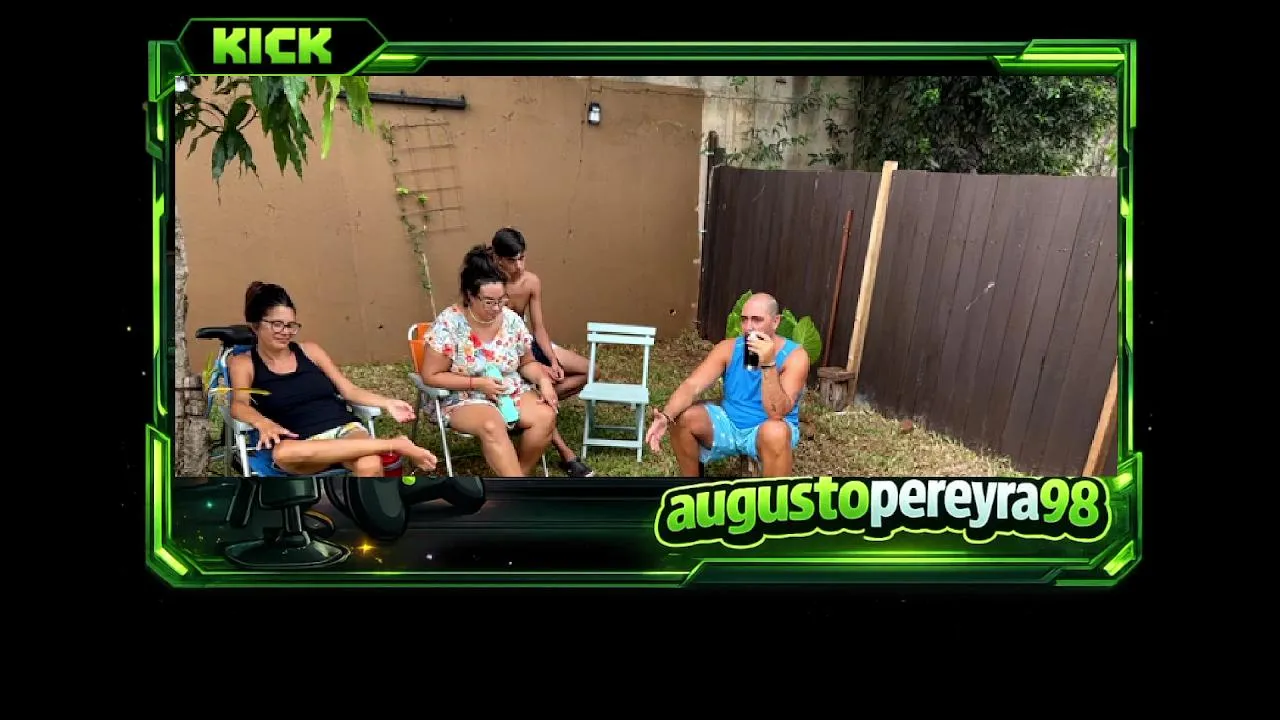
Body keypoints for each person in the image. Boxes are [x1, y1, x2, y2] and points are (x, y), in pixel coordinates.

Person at [228, 282, 438, 476]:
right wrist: (262, 422)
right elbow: (239, 405)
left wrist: (387, 403)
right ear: (255, 325)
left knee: (369, 463)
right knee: (283, 453)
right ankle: (395, 444)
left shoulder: (310, 351)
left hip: (344, 429)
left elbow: (349, 390)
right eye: (277, 324)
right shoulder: (243, 363)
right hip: (301, 443)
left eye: (291, 325)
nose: (286, 332)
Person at [419, 245, 561, 476]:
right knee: (491, 424)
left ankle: (518, 478)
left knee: (546, 416)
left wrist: (544, 381)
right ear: (469, 295)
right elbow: (430, 375)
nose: (497, 308)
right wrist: (477, 383)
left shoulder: (511, 320)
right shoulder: (449, 324)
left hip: (508, 390)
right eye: (488, 302)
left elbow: (527, 363)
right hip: (464, 395)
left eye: (501, 300)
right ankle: (519, 489)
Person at [644, 293, 809, 477]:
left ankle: (771, 495)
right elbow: (692, 386)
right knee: (682, 416)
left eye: (757, 320)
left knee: (775, 432)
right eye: (744, 320)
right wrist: (666, 416)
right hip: (729, 422)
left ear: (776, 321)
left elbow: (777, 413)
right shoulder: (729, 348)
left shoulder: (795, 356)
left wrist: (768, 364)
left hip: (767, 429)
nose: (749, 327)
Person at [490, 227, 595, 477]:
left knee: (590, 371)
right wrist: (539, 371)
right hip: (502, 351)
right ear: (498, 258)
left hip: (527, 342)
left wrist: (551, 360)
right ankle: (566, 454)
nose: (518, 266)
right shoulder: (490, 284)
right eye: (512, 260)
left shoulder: (531, 282)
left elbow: (538, 328)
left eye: (522, 258)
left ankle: (536, 401)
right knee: (538, 387)